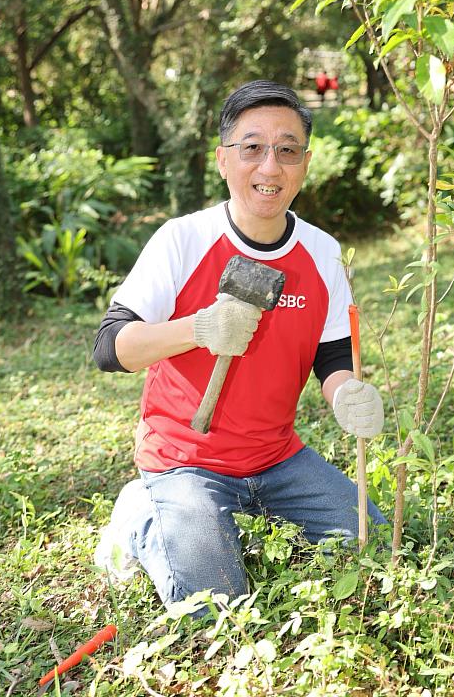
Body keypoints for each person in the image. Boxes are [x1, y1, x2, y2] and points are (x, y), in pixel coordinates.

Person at [93, 80, 387, 608]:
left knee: (378, 543)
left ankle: (223, 514)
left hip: (277, 458)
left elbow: (333, 358)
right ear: (223, 160)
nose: (269, 167)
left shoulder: (322, 252)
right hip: (184, 460)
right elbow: (111, 347)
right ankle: (141, 514)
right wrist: (198, 328)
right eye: (251, 148)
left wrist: (347, 395)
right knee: (216, 603)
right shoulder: (183, 239)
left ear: (305, 162)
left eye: (287, 150)